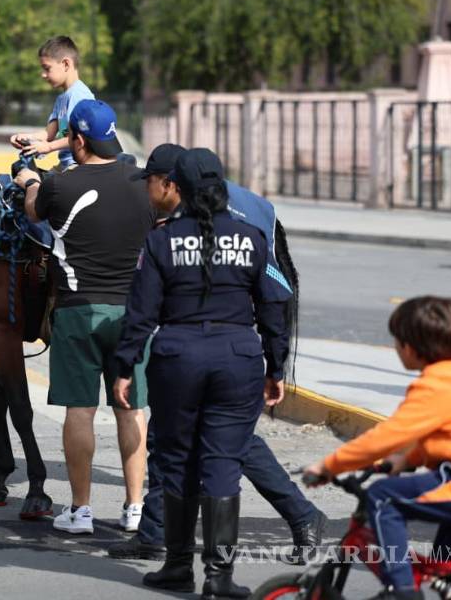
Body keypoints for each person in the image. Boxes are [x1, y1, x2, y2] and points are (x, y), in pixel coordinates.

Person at [108, 144, 325, 563]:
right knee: (193, 443)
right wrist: (272, 362)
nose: (147, 191)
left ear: (173, 184)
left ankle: (300, 517)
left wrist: (276, 363)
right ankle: (163, 538)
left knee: (223, 446)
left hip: (209, 352)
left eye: (151, 181)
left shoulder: (224, 223)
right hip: (228, 356)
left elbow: (274, 293)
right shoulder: (180, 223)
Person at [13, 99, 153, 535]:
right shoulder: (142, 183)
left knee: (81, 410)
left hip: (77, 312)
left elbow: (33, 210)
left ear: (76, 139)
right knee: (131, 409)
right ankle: (135, 508)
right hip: (131, 314)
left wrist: (29, 180)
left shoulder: (60, 184)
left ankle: (81, 510)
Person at [304, 296, 451, 600]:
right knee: (449, 571)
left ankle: (403, 590)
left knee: (383, 497)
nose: (396, 349)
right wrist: (406, 460)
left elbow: (385, 437)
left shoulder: (434, 387)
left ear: (410, 348)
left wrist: (328, 466)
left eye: (396, 343)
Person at [9, 35, 95, 171]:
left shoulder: (79, 95)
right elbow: (49, 134)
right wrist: (25, 138)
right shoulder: (61, 99)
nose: (43, 74)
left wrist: (48, 147)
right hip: (65, 164)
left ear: (66, 64)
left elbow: (80, 138)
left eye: (47, 68)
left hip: (79, 166)